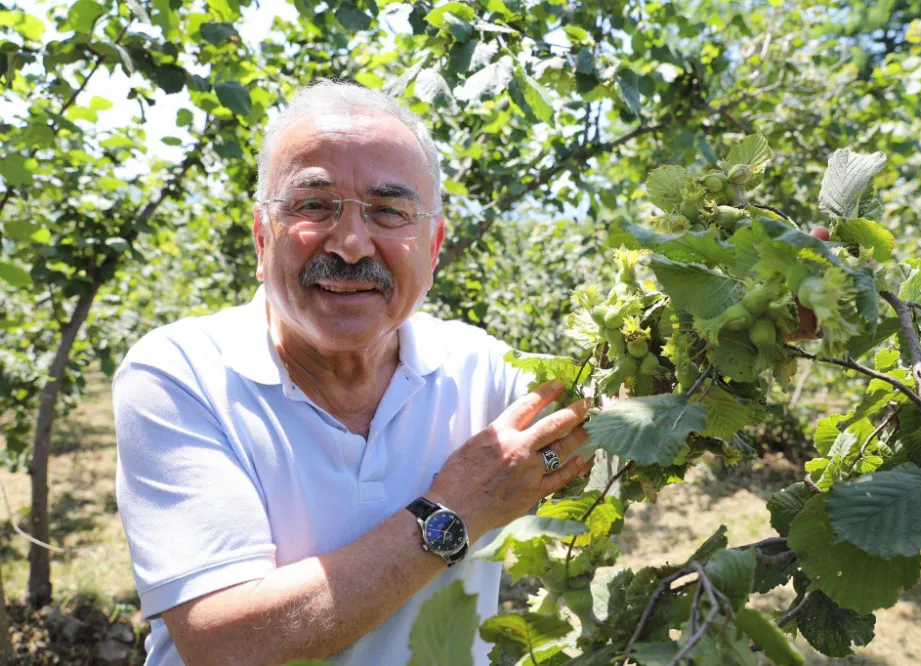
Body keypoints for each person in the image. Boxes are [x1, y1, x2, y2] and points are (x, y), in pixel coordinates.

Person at [112, 79, 593, 666]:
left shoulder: (484, 371)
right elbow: (225, 643)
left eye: (389, 211)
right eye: (314, 205)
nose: (350, 243)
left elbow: (624, 430)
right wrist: (457, 508)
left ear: (434, 246)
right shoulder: (180, 374)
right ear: (263, 238)